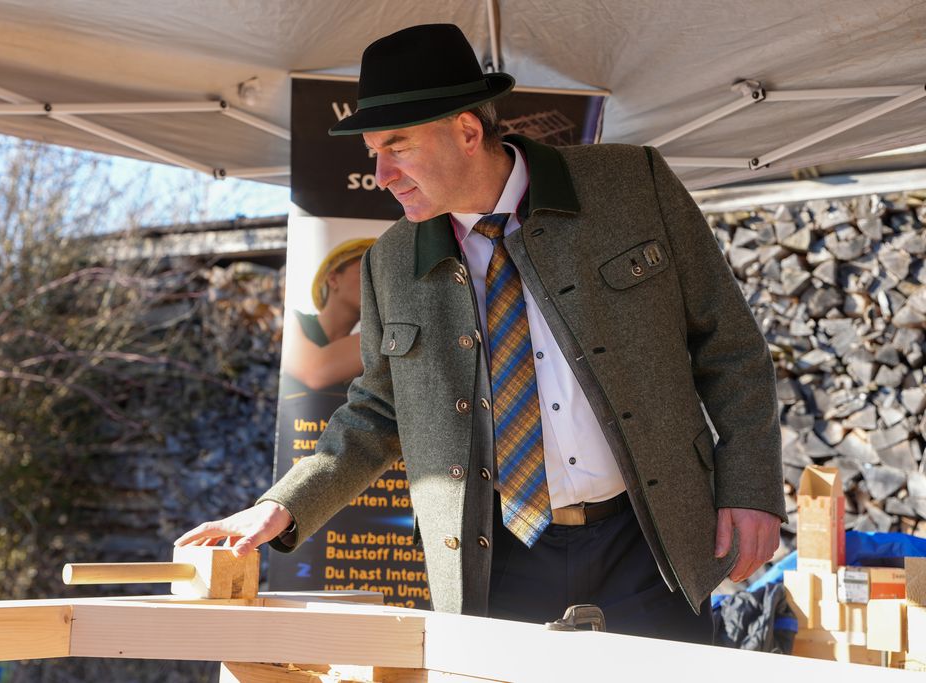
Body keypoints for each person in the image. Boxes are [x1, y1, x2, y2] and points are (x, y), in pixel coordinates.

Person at [176, 23, 785, 644]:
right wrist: (283, 504)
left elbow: (729, 345)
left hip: (649, 537)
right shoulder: (388, 262)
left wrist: (752, 489)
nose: (382, 173)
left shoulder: (633, 185)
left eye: (398, 147)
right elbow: (378, 411)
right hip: (496, 556)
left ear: (467, 131)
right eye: (374, 154)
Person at [280, 238, 375, 395]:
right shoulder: (291, 321)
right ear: (333, 279)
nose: (375, 284)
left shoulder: (365, 356)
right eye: (365, 272)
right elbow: (314, 371)